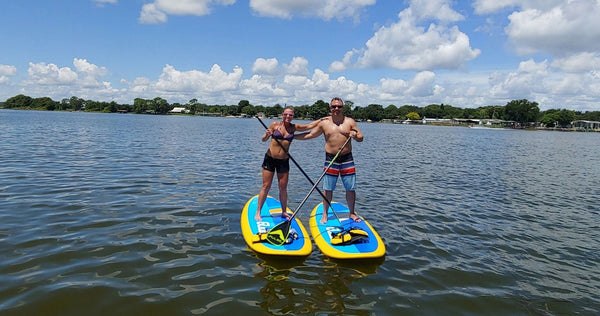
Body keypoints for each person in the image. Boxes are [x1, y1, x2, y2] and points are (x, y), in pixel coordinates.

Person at [295, 97, 363, 223]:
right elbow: (310, 134)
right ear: (330, 108)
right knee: (328, 188)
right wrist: (291, 137)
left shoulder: (350, 122)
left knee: (350, 188)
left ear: (343, 108)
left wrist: (355, 136)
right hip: (331, 158)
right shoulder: (324, 123)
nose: (336, 109)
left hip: (347, 158)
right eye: (334, 106)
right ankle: (325, 214)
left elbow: (361, 137)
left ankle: (352, 213)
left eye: (339, 107)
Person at [255, 107, 323, 221]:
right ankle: (258, 212)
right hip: (270, 159)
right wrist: (267, 134)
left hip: (283, 161)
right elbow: (263, 139)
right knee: (266, 186)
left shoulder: (294, 127)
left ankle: (284, 211)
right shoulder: (275, 124)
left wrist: (322, 120)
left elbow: (309, 126)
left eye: (290, 115)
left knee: (283, 187)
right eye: (286, 114)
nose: (288, 116)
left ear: (293, 116)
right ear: (282, 115)